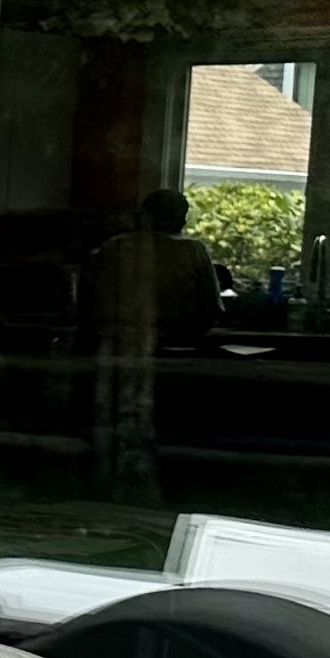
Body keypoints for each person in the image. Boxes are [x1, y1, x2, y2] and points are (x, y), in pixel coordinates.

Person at [91, 189, 222, 499]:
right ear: (182, 218)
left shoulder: (114, 248)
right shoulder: (193, 251)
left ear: (144, 216)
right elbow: (211, 311)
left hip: (118, 355)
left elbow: (90, 307)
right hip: (174, 359)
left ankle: (113, 494)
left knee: (120, 432)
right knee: (167, 435)